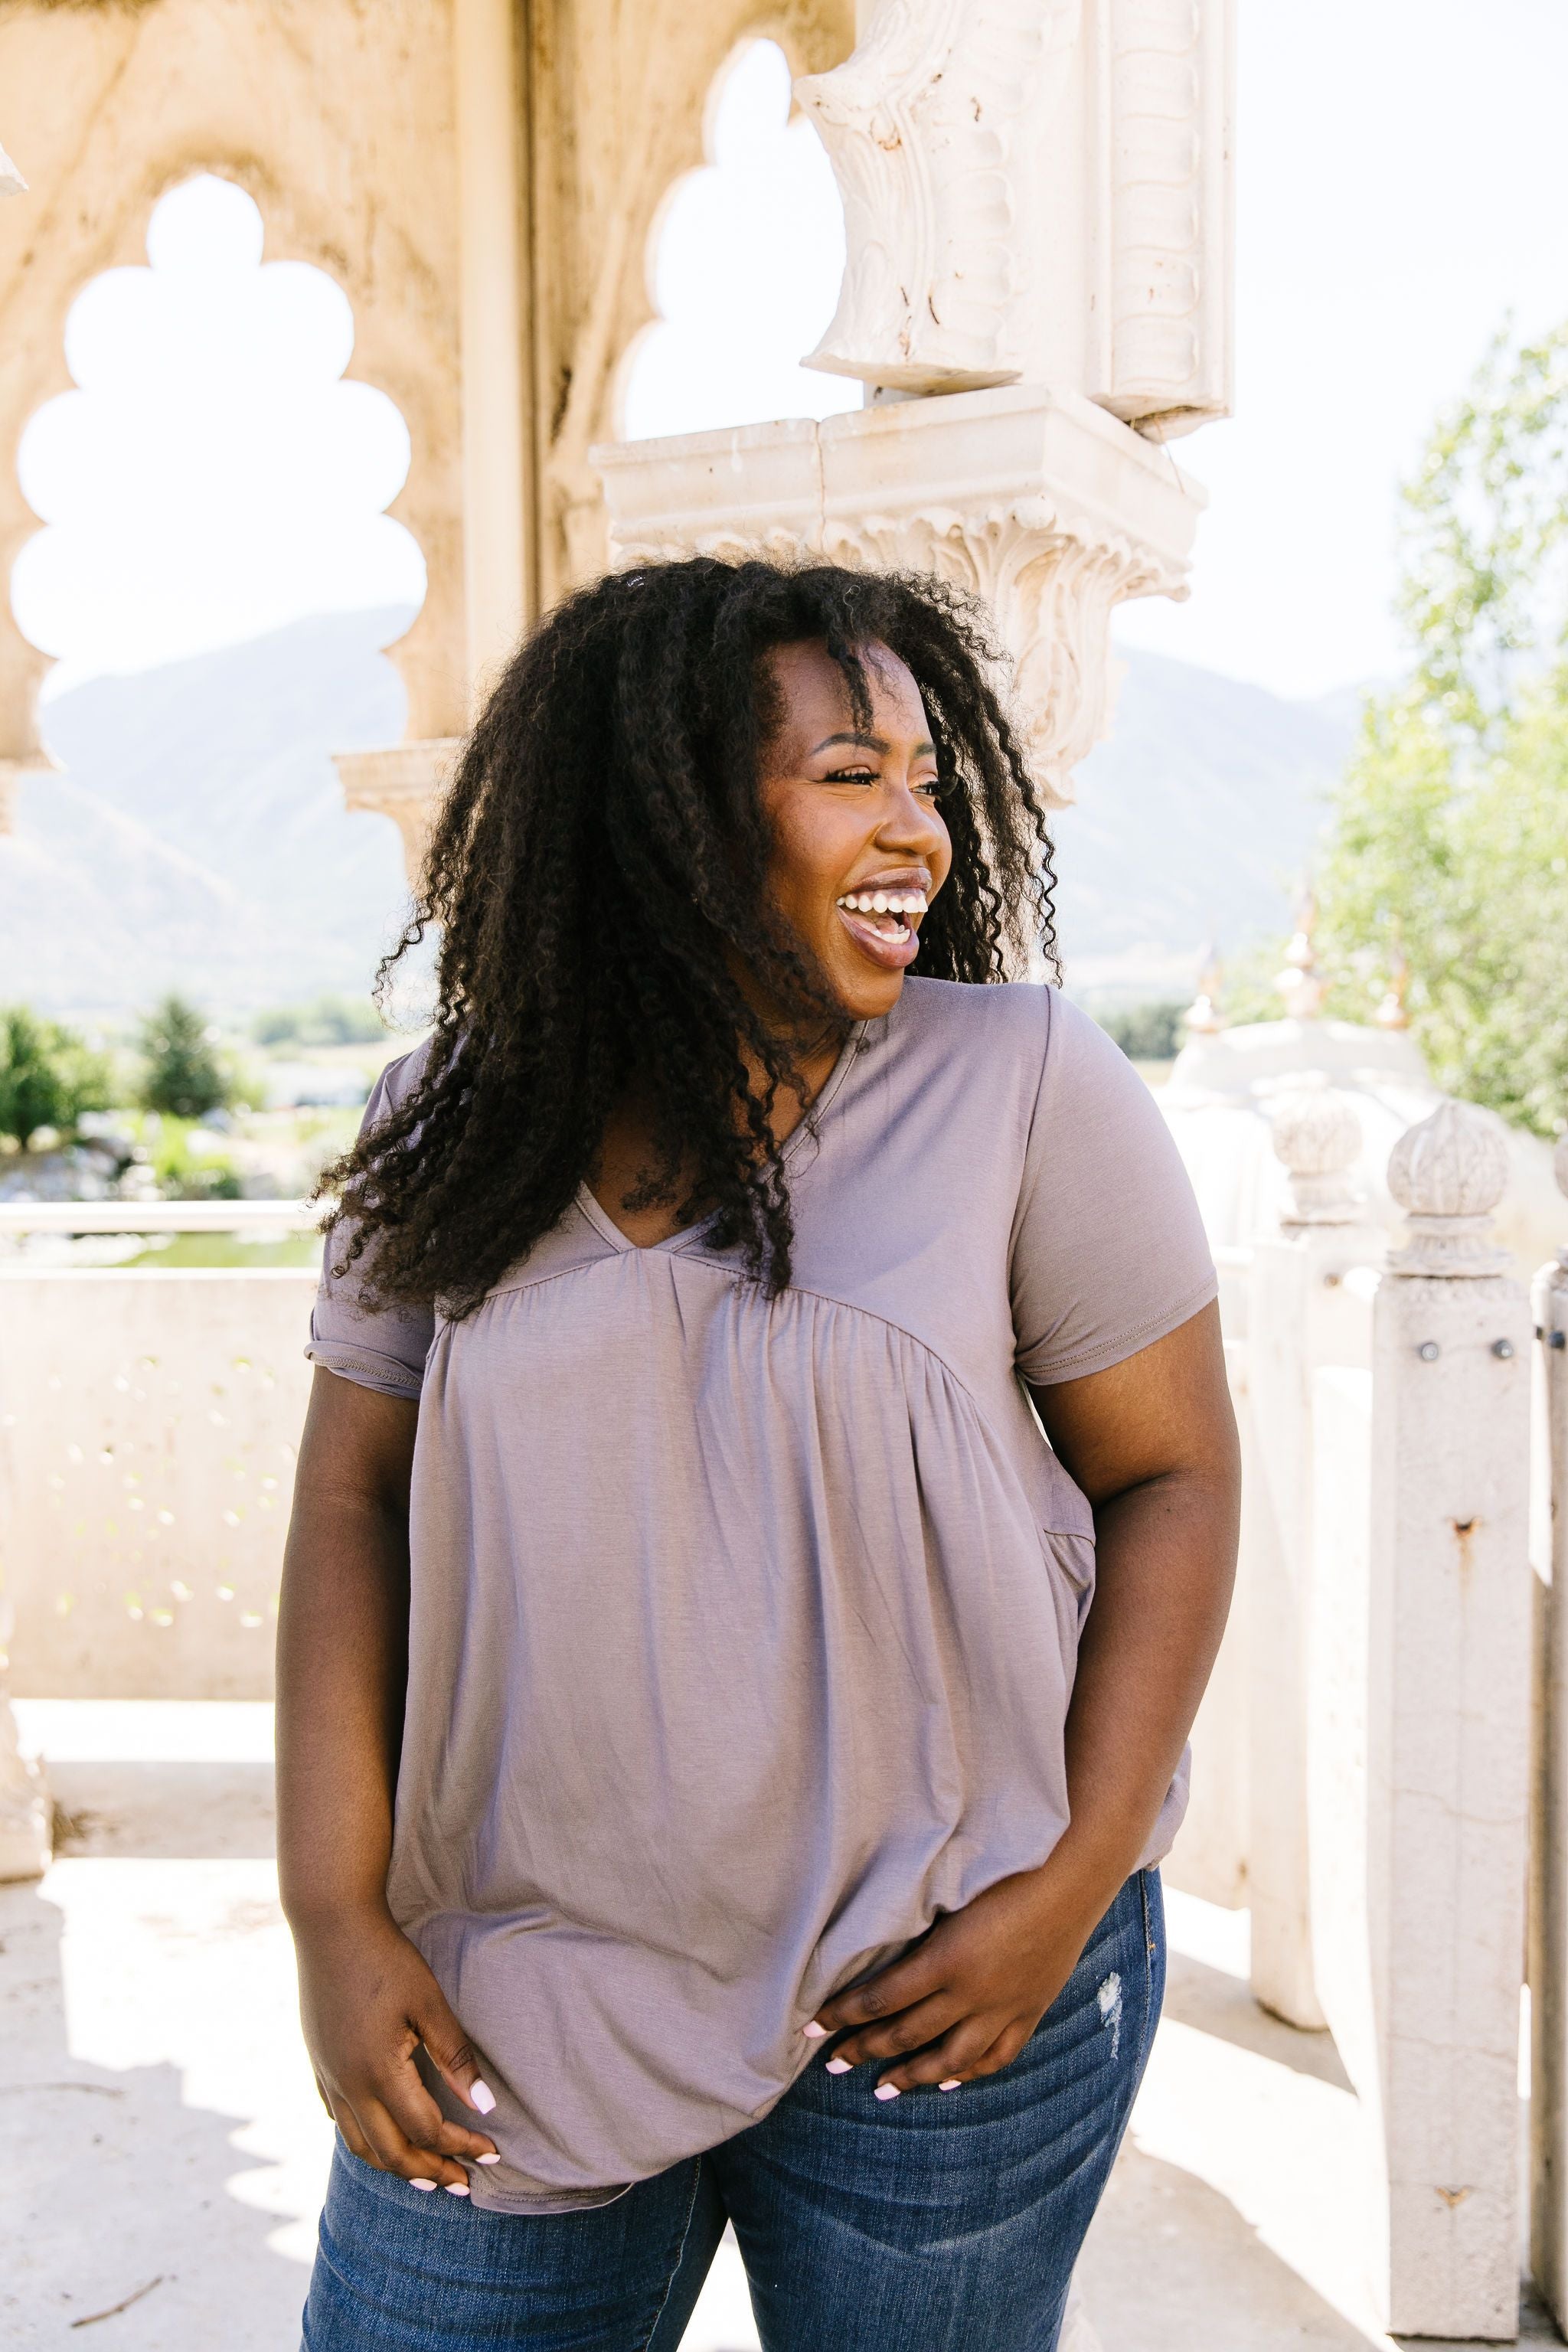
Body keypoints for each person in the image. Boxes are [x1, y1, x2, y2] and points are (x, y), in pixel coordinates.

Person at [279, 557, 1239, 2352]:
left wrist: (1076, 1878)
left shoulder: (1018, 1082)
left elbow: (1171, 1475)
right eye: (850, 773)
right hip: (522, 1994)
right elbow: (352, 1505)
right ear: (666, 817)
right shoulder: (449, 1130)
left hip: (945, 1993)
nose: (920, 833)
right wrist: (332, 1914)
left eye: (931, 781)